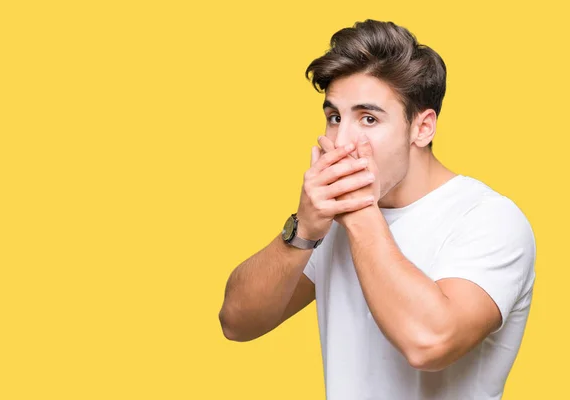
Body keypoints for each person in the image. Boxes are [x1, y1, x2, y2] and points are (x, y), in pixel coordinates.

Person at [218, 19, 536, 400]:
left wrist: (359, 211)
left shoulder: (489, 219)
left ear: (423, 128)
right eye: (335, 117)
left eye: (368, 118)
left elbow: (429, 343)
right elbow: (237, 322)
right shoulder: (330, 223)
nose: (343, 141)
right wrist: (303, 228)